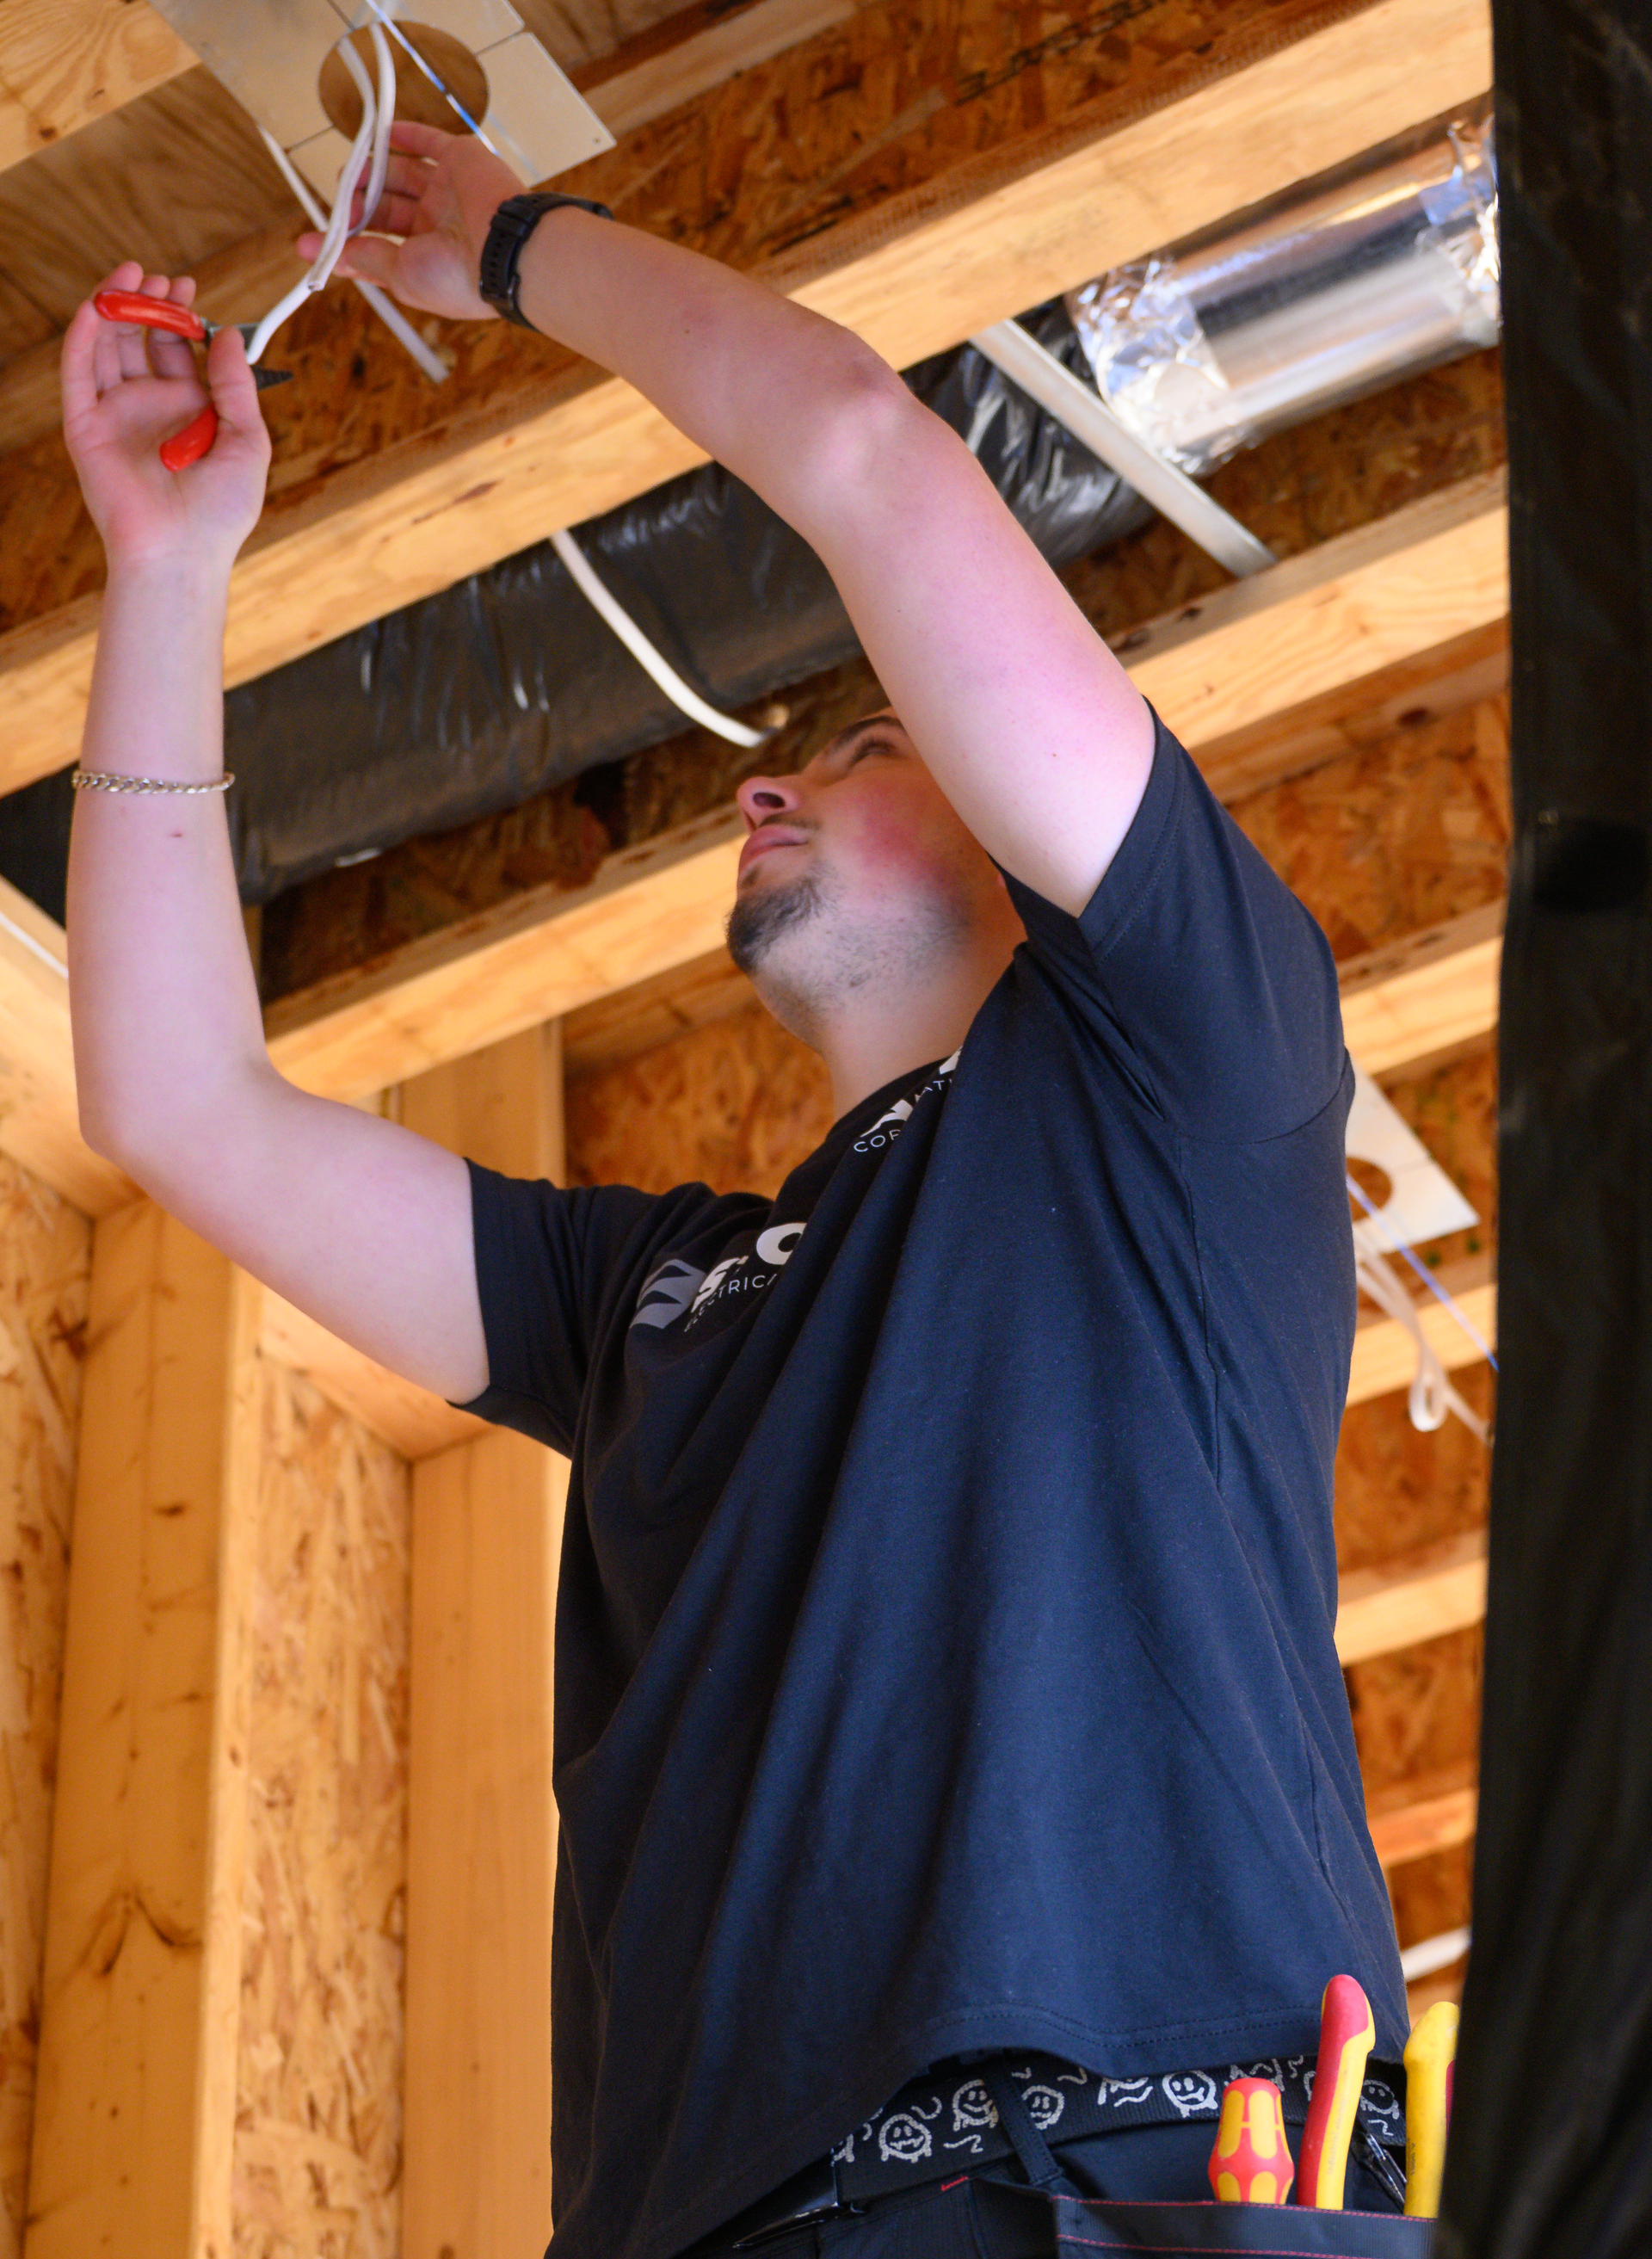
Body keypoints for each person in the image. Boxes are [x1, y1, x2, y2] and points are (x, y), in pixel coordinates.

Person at [61, 120, 1410, 2259]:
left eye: (862, 745)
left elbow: (868, 455)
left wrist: (515, 245)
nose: (768, 772)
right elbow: (180, 1103)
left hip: (1144, 2183)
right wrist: (166, 573)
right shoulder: (651, 1302)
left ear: (1008, 824)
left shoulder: (1189, 1078)